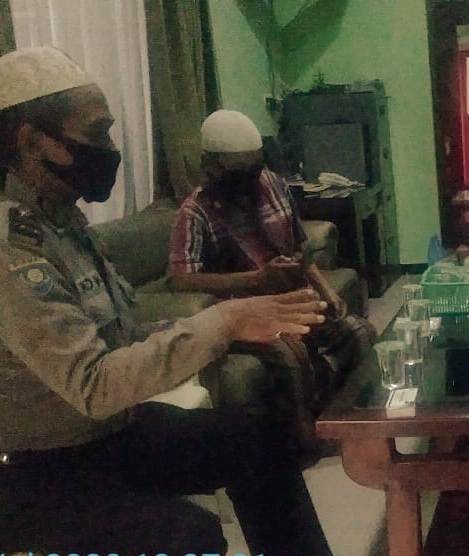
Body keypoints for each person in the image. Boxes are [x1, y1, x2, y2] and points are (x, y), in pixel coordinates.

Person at [0, 47, 334, 554]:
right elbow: (94, 385)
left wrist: (227, 326)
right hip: (34, 468)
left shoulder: (64, 226)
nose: (110, 149)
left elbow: (124, 337)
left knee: (259, 438)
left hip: (107, 437)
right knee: (187, 537)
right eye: (97, 133)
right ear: (30, 141)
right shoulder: (13, 248)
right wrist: (223, 322)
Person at [168, 109, 375, 427]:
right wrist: (257, 278)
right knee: (290, 355)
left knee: (358, 333)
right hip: (247, 315)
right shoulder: (195, 212)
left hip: (293, 300)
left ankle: (352, 420)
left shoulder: (273, 184)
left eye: (255, 167)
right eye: (239, 171)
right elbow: (182, 281)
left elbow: (300, 247)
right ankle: (306, 438)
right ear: (212, 166)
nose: (250, 178)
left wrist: (326, 290)